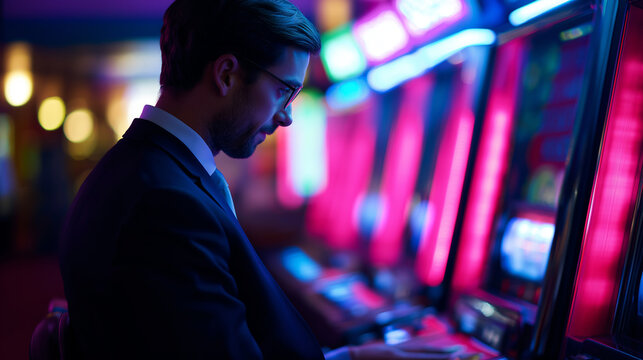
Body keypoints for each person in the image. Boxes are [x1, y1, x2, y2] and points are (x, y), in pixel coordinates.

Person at [59, 0, 477, 359]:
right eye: (283, 92)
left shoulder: (147, 170)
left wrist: (351, 355)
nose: (287, 116)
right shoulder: (165, 202)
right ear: (226, 74)